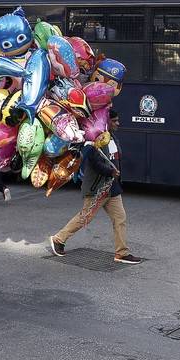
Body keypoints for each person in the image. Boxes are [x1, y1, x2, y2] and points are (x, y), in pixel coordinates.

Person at [49, 110, 141, 265]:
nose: (118, 123)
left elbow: (115, 159)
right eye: (115, 121)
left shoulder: (112, 138)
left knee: (120, 218)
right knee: (85, 217)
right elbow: (94, 162)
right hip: (97, 188)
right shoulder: (93, 140)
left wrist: (115, 175)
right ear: (107, 121)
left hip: (112, 188)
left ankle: (122, 253)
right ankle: (58, 239)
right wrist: (110, 171)